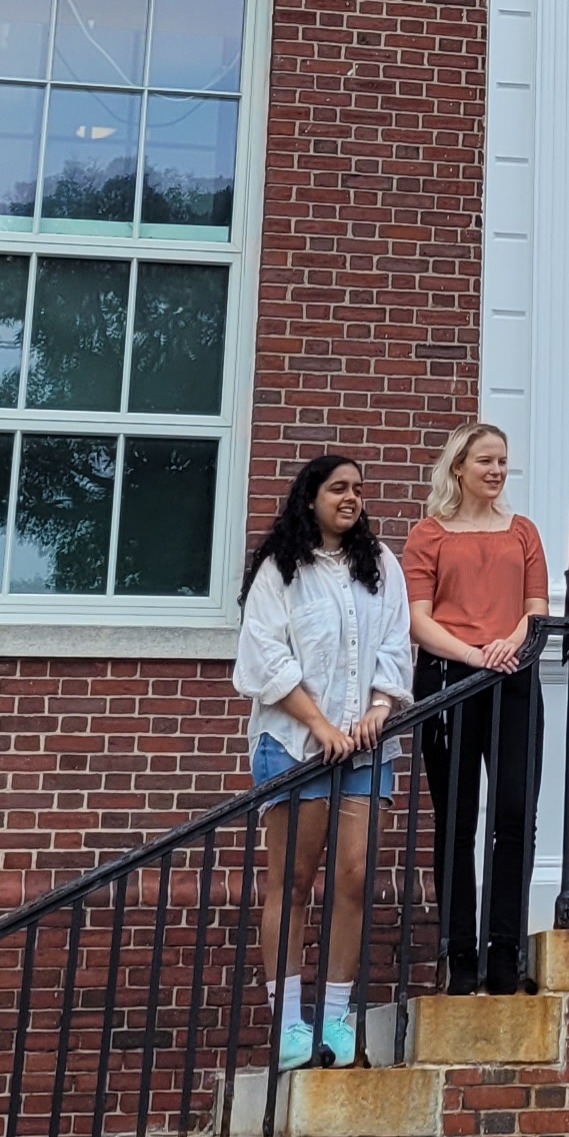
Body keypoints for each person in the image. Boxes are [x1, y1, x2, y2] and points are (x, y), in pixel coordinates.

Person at [230, 451, 413, 1071]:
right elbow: (264, 656)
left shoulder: (380, 564)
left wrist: (381, 706)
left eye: (358, 488)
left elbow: (395, 642)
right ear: (311, 497)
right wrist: (320, 725)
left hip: (365, 749)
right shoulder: (280, 569)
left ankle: (336, 1015)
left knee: (355, 878)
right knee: (294, 881)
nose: (351, 498)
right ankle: (289, 1024)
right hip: (294, 745)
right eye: (338, 488)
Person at [404, 423, 548, 996]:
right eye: (485, 461)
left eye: (502, 461)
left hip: (513, 674)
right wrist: (471, 654)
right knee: (457, 818)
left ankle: (504, 949)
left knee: (515, 813)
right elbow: (418, 619)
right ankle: (459, 952)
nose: (496, 471)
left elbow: (537, 608)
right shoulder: (428, 534)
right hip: (448, 679)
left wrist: (507, 645)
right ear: (458, 467)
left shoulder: (523, 532)